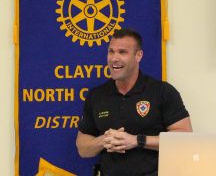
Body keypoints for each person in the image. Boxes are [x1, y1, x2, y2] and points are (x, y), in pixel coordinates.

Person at [76, 28, 192, 176]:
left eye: (122, 52)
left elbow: (185, 140)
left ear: (138, 55)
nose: (114, 58)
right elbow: (82, 149)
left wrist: (138, 141)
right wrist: (105, 140)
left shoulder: (162, 91)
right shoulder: (96, 95)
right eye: (111, 51)